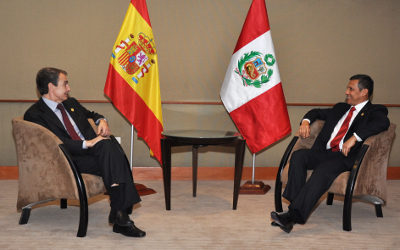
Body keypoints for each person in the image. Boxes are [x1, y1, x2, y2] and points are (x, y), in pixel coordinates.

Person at [24, 67, 146, 238]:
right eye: (65, 84)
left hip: (94, 152)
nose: (69, 88)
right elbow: (53, 143)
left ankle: (119, 215)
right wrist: (87, 143)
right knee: (113, 154)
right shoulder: (34, 114)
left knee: (108, 147)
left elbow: (92, 114)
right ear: (51, 87)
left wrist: (101, 120)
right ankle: (120, 215)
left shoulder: (70, 103)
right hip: (68, 158)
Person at [271, 74, 390, 233]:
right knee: (299, 156)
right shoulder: (341, 108)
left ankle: (291, 217)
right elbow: (316, 112)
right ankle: (294, 208)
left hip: (346, 157)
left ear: (364, 92)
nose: (346, 92)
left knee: (323, 170)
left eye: (351, 89)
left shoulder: (375, 110)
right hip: (324, 152)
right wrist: (305, 122)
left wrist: (355, 137)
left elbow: (382, 123)